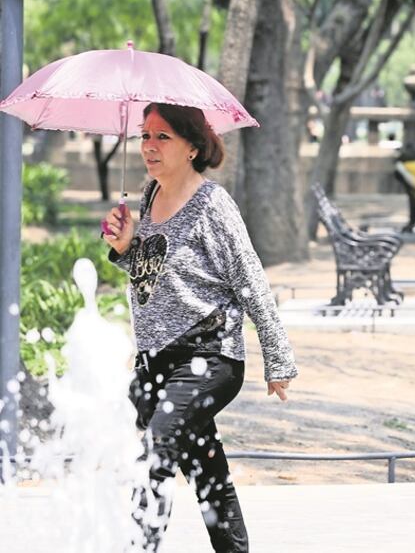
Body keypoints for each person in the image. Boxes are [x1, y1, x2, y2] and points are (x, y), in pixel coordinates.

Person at [101, 103, 298, 552]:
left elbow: (251, 282)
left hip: (208, 357)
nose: (149, 146)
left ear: (192, 146)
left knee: (156, 452)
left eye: (162, 137)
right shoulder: (150, 196)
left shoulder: (213, 205)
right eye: (145, 136)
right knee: (207, 470)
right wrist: (125, 246)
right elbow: (155, 275)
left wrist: (278, 357)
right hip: (157, 363)